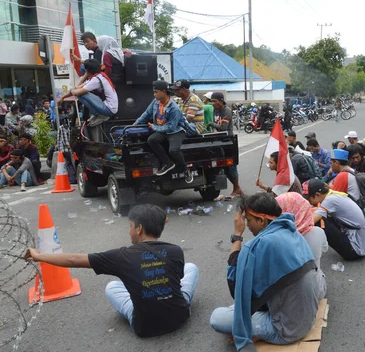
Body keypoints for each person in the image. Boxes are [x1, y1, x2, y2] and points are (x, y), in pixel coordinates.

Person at [24, 204, 198, 337]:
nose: (129, 230)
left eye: (130, 226)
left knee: (112, 287)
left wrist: (39, 256)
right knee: (191, 268)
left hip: (145, 327)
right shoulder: (175, 251)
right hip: (180, 317)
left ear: (139, 229)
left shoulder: (122, 256)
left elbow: (74, 259)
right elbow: (178, 278)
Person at [210, 193, 319, 350]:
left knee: (217, 317)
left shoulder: (257, 246)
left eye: (248, 220)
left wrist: (237, 236)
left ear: (261, 220)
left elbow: (236, 290)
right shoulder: (293, 232)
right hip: (307, 318)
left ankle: (261, 333)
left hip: (286, 330)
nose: (247, 225)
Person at [276, 192, 328, 299]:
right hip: (315, 292)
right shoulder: (318, 232)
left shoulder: (276, 239)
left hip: (286, 298)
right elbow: (325, 249)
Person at [134, 81, 188, 178]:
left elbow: (171, 127)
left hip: (175, 131)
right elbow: (147, 113)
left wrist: (154, 127)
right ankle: (168, 163)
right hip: (162, 129)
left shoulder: (174, 108)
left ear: (164, 91)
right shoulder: (156, 102)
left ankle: (185, 169)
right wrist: (136, 124)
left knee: (173, 150)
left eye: (156, 92)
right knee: (151, 140)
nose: (154, 95)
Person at [307, 179, 365, 260]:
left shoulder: (329, 201)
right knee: (323, 215)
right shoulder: (333, 194)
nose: (309, 202)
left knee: (320, 221)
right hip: (362, 244)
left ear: (317, 195)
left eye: (309, 200)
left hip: (355, 250)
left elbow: (310, 221)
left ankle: (310, 252)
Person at [57, 59, 119, 127]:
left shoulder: (96, 80)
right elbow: (78, 87)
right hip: (108, 106)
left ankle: (100, 115)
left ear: (87, 70)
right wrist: (63, 97)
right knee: (79, 93)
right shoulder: (98, 76)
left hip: (108, 109)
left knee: (81, 95)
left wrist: (72, 91)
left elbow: (77, 92)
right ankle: (98, 114)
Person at [209, 92, 243, 197]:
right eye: (212, 101)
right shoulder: (215, 110)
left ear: (221, 101)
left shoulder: (226, 111)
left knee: (232, 167)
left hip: (228, 141)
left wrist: (211, 124)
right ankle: (237, 189)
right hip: (219, 141)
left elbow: (223, 127)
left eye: (215, 101)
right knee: (224, 167)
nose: (213, 103)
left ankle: (236, 188)